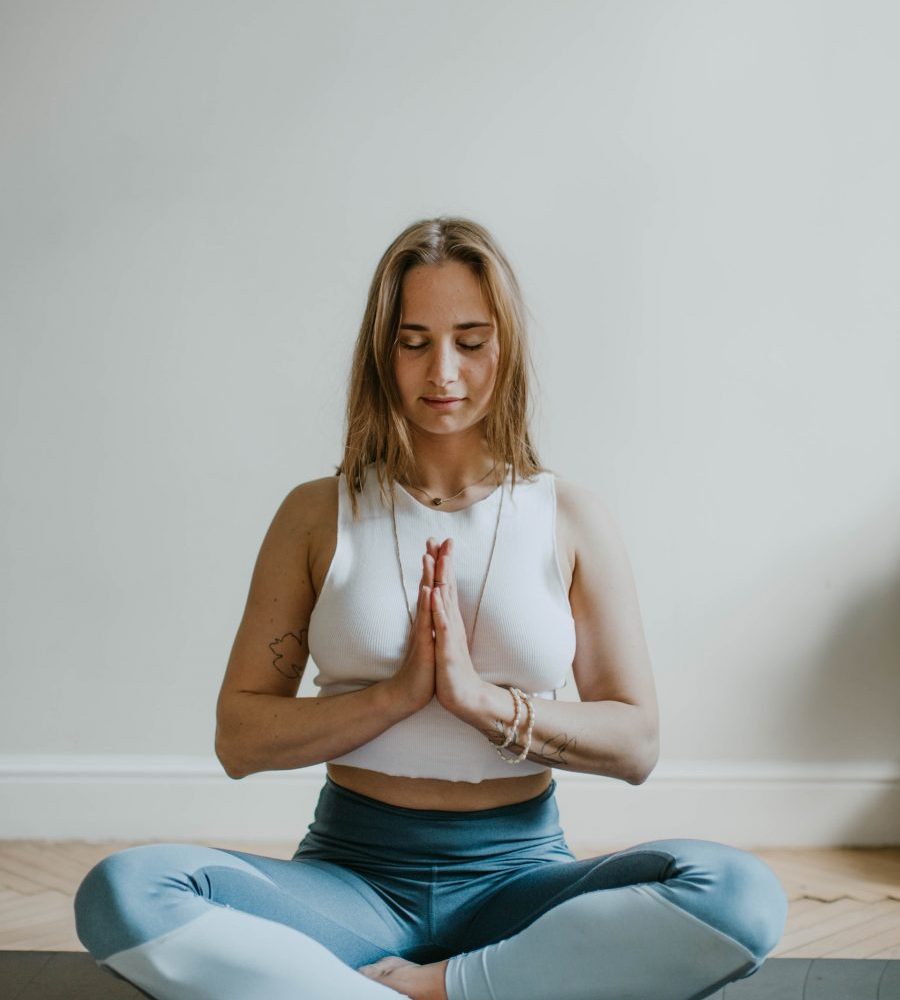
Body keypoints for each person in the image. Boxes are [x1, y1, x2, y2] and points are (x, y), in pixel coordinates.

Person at [74, 216, 788, 1000]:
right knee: (126, 891)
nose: (442, 371)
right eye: (413, 342)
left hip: (521, 885)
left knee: (739, 895)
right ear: (382, 354)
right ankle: (484, 988)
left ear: (505, 347)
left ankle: (435, 987)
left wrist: (479, 702)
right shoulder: (315, 516)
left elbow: (636, 743)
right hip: (351, 882)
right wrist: (396, 697)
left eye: (470, 341)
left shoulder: (571, 518)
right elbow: (239, 740)